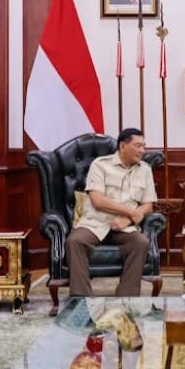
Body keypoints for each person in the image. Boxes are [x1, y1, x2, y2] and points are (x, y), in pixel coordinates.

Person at [66, 127, 157, 297]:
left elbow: (148, 205)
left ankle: (126, 299)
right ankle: (81, 301)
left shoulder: (145, 169)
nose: (142, 151)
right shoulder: (100, 165)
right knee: (75, 241)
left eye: (143, 146)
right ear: (123, 146)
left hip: (124, 227)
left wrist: (128, 220)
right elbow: (97, 200)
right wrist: (131, 212)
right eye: (138, 146)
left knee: (141, 242)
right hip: (95, 223)